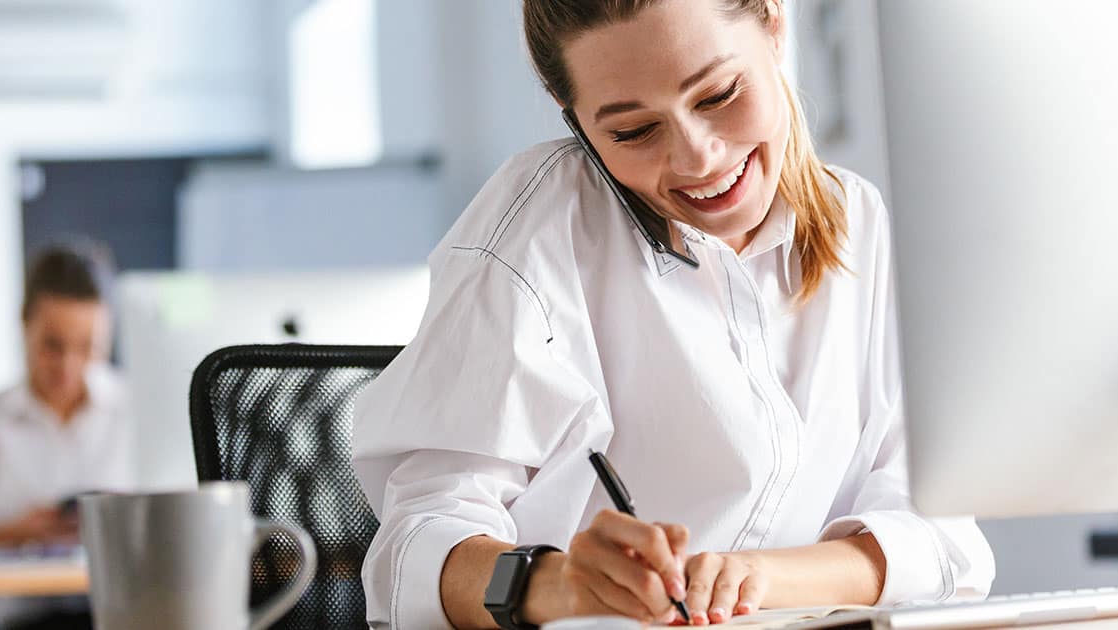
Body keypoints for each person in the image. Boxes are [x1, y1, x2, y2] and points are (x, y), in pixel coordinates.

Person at [351, 1, 995, 628]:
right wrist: (557, 585)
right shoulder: (538, 235)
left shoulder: (862, 225)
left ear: (773, 23)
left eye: (717, 95)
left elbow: (938, 535)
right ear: (572, 117)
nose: (697, 159)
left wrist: (760, 579)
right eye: (633, 130)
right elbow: (416, 552)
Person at [0, 243, 134, 629]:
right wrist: (16, 532)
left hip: (122, 613)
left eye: (87, 347)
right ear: (24, 324)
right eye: (52, 345)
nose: (69, 365)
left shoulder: (136, 412)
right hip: (24, 620)